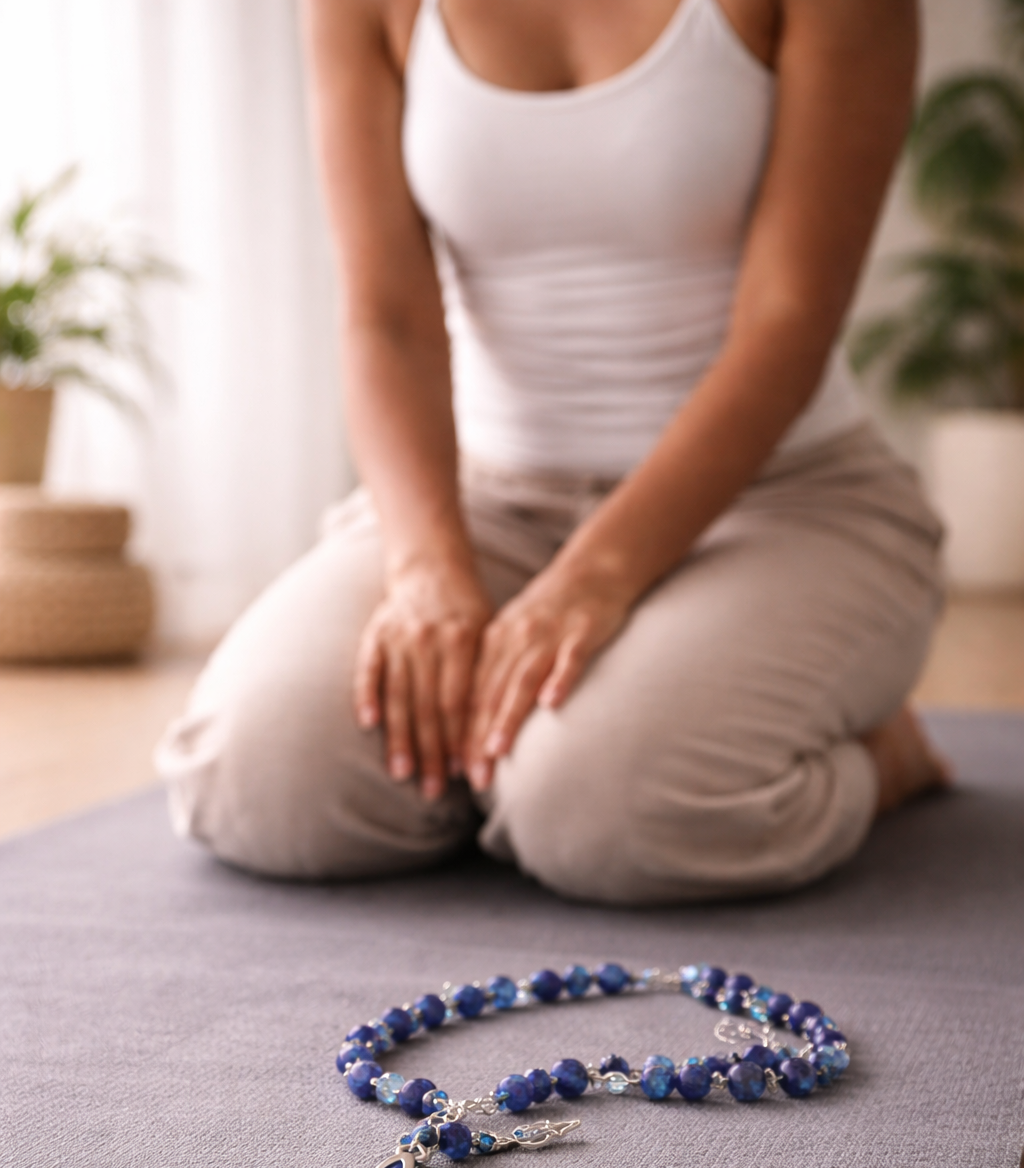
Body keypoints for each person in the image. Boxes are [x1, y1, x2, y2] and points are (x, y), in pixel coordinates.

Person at [157, 0, 950, 905]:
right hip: (487, 501)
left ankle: (883, 759)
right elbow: (387, 319)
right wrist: (426, 569)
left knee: (604, 815)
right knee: (264, 781)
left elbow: (788, 323)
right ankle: (507, 767)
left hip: (779, 503)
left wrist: (594, 577)